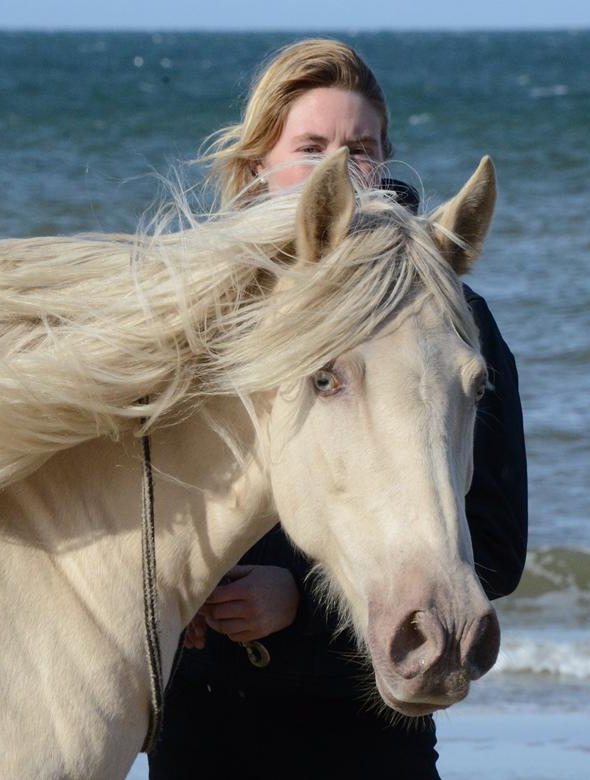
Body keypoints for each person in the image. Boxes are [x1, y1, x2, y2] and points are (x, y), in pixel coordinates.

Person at [148, 39, 528, 779]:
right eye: (311, 146)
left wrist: (299, 605)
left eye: (361, 147)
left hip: (362, 731)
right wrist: (182, 589)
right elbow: (144, 497)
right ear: (259, 168)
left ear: (385, 160)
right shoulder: (200, 315)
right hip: (204, 729)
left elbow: (495, 544)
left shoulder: (452, 319)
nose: (338, 169)